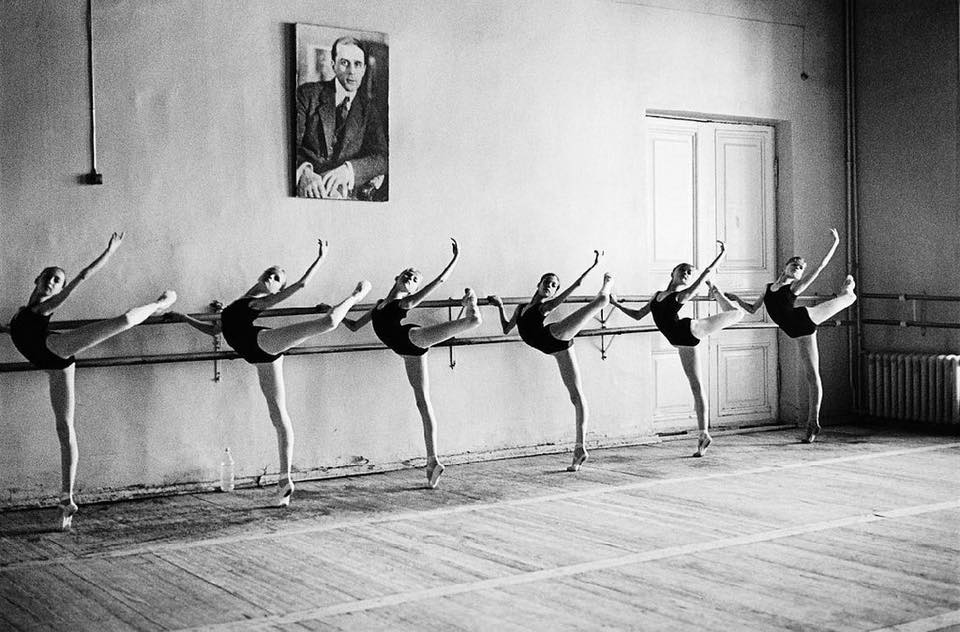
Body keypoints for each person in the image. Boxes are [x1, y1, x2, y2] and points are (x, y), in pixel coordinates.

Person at [168, 240, 371, 506]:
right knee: (277, 414)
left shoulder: (256, 303)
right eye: (270, 272)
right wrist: (184, 317)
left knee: (329, 321)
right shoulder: (238, 304)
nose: (272, 277)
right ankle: (284, 481)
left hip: (261, 343)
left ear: (277, 289)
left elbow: (301, 286)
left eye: (277, 279)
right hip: (258, 358)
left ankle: (357, 296)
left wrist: (321, 258)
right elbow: (214, 331)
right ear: (260, 275)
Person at [6, 233, 177, 530]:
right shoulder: (22, 312)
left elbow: (82, 277)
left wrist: (108, 252)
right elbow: (17, 330)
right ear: (37, 279)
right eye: (48, 277)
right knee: (64, 427)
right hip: (54, 366)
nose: (52, 282)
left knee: (122, 321)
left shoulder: (44, 307)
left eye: (57, 280)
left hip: (54, 350)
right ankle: (66, 499)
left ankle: (161, 303)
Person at [342, 239, 481, 488]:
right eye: (407, 274)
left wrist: (456, 258)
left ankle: (472, 310)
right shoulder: (377, 306)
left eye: (414, 279)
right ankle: (432, 462)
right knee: (422, 401)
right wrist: (332, 312)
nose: (410, 277)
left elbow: (438, 282)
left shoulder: (404, 303)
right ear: (397, 277)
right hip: (406, 352)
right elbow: (353, 326)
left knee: (469, 323)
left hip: (411, 338)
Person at [610, 241, 742, 457]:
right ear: (672, 273)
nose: (686, 273)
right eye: (683, 269)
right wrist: (615, 305)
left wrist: (722, 254)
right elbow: (637, 315)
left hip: (690, 329)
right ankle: (703, 435)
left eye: (689, 272)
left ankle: (717, 293)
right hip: (681, 342)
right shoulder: (656, 295)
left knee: (738, 314)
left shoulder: (681, 295)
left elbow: (705, 272)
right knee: (696, 386)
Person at [725, 229, 857, 443]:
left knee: (814, 375)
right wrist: (735, 299)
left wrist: (836, 242)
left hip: (805, 320)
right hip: (795, 332)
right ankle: (846, 294)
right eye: (795, 265)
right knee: (810, 375)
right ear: (785, 266)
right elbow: (752, 309)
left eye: (801, 268)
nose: (798, 269)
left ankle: (813, 422)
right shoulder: (768, 288)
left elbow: (820, 267)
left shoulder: (795, 287)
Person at [488, 251, 611, 472]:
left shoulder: (544, 307)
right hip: (554, 349)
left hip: (554, 336)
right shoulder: (520, 308)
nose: (550, 286)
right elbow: (506, 329)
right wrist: (499, 306)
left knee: (601, 300)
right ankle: (578, 452)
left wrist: (594, 265)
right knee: (574, 395)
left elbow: (577, 285)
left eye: (554, 285)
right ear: (539, 284)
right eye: (547, 282)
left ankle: (607, 284)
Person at [295, 36, 387, 200]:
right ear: (333, 65)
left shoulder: (370, 110)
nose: (352, 71)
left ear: (364, 69)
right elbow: (289, 146)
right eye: (345, 63)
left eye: (357, 64)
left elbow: (381, 157)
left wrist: (348, 170)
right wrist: (304, 171)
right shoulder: (307, 95)